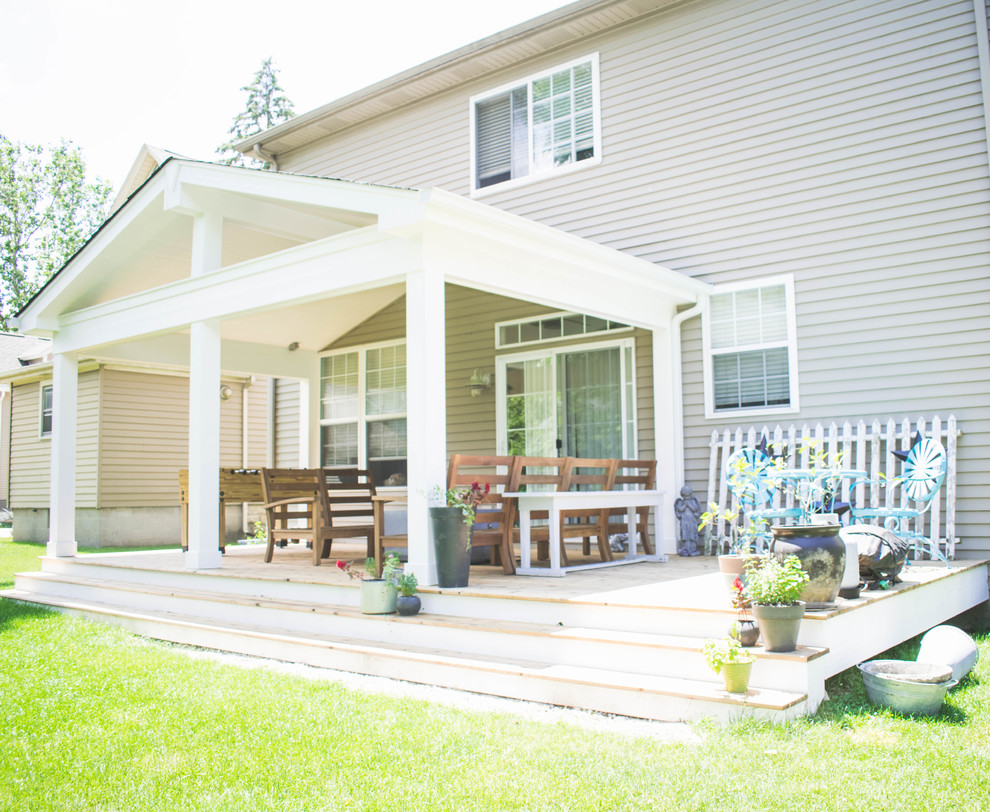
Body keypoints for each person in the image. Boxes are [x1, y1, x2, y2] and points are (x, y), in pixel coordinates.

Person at [674, 485, 702, 556]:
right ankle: (685, 549)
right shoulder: (680, 502)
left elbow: (695, 509)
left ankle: (692, 549)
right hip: (684, 521)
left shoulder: (693, 501)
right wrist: (684, 505)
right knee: (685, 533)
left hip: (692, 520)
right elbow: (679, 509)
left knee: (692, 533)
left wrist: (689, 505)